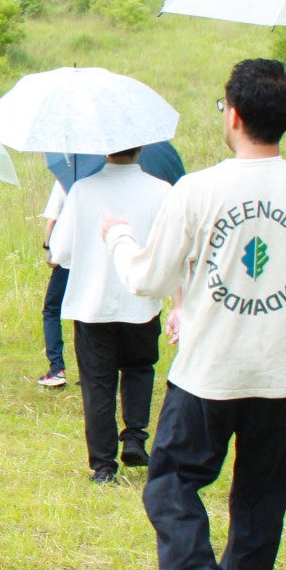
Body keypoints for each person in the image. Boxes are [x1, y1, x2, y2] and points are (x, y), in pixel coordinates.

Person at [99, 59, 286, 570]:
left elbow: (148, 278)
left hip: (209, 371)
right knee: (263, 493)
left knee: (171, 481)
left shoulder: (200, 189)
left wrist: (117, 238)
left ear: (234, 115)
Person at [49, 148, 173, 484]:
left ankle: (103, 465)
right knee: (139, 368)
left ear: (105, 149)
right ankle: (134, 437)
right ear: (142, 147)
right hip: (142, 301)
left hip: (92, 303)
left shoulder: (83, 190)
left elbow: (59, 251)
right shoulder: (162, 190)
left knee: (98, 383)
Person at [37, 180, 71, 388]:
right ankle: (89, 371)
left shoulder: (63, 182)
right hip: (92, 261)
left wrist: (49, 247)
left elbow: (52, 220)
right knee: (86, 317)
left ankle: (57, 368)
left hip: (66, 259)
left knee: (52, 311)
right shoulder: (102, 181)